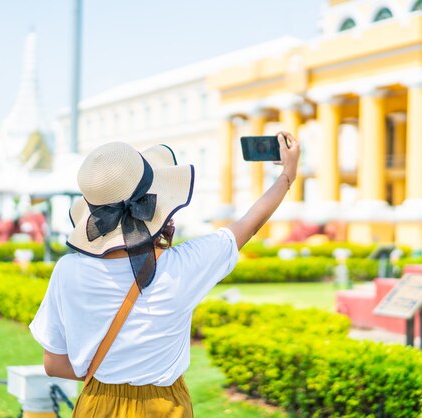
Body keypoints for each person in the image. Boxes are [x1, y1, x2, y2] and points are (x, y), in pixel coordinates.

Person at [29, 131, 300, 417]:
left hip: (97, 403)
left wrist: (110, 378)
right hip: (164, 406)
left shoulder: (67, 271)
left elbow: (54, 364)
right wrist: (287, 176)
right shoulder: (182, 266)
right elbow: (248, 224)